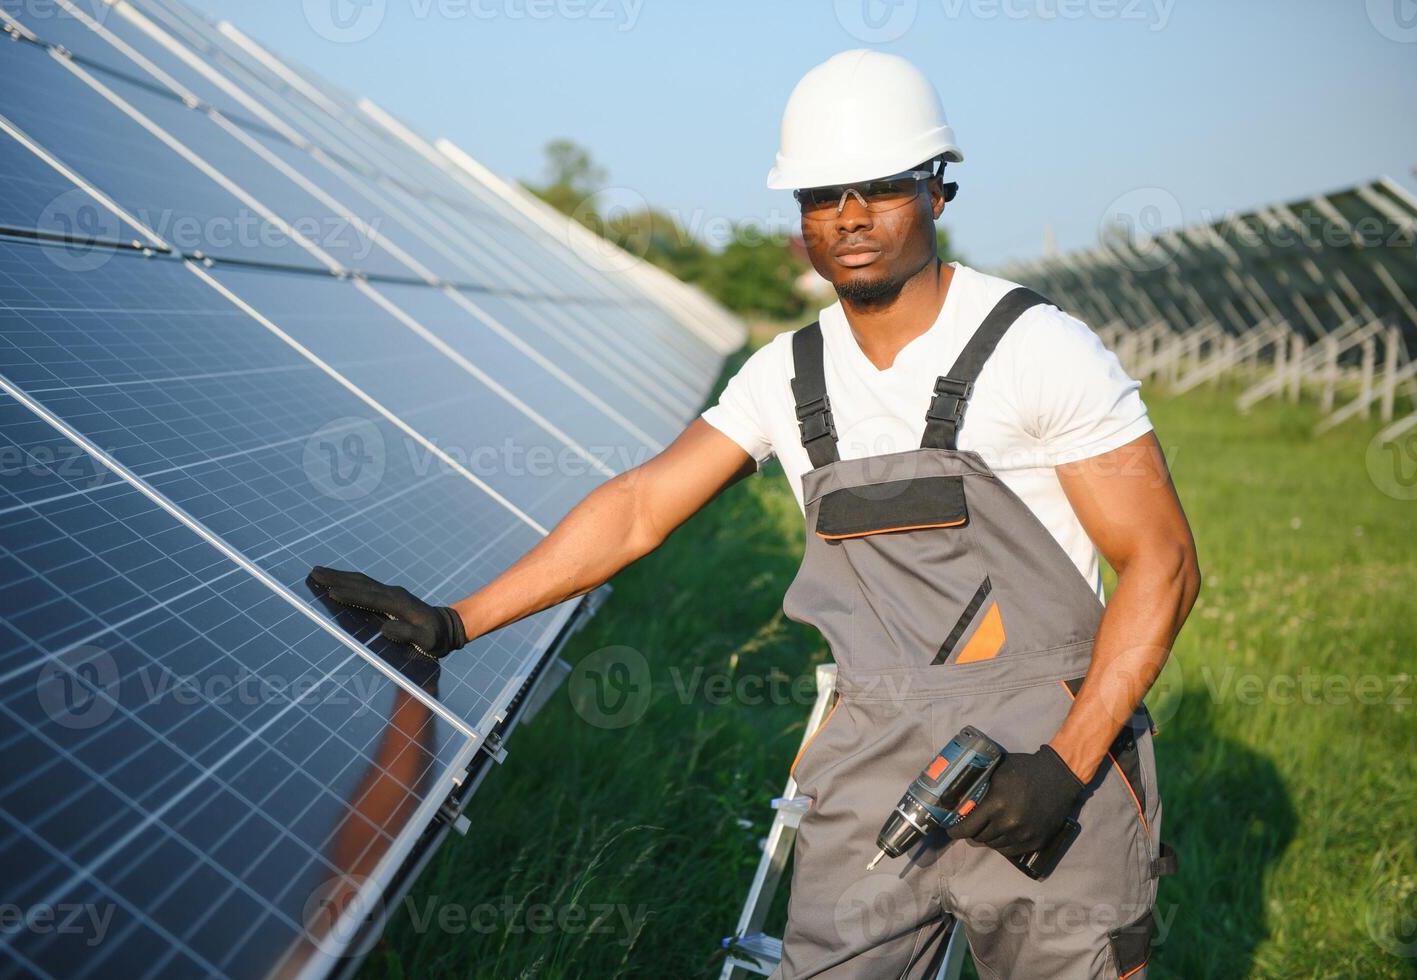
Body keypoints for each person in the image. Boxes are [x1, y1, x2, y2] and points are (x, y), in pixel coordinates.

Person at [310, 48, 1199, 979]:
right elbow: (640, 507)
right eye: (822, 195)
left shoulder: (1037, 349)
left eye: (880, 188)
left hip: (1051, 746)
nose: (850, 219)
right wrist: (458, 621)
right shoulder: (787, 374)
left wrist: (1065, 766)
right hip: (872, 756)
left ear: (938, 192)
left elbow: (1163, 563)